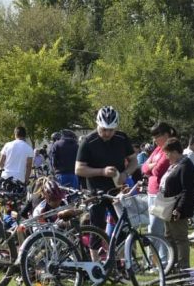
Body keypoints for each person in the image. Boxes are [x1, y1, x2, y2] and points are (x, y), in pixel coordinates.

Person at [75, 106, 138, 258]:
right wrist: (102, 171)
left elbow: (134, 161)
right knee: (98, 226)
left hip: (117, 188)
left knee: (124, 224)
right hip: (96, 190)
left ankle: (123, 260)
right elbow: (79, 169)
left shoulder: (122, 138)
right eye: (104, 129)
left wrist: (125, 173)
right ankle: (95, 263)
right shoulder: (89, 141)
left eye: (111, 130)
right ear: (98, 125)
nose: (108, 133)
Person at [160, 138, 194, 271]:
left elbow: (187, 190)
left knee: (180, 239)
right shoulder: (176, 164)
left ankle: (183, 268)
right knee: (169, 237)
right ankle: (172, 265)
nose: (166, 156)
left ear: (175, 152)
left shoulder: (185, 165)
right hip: (168, 207)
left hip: (178, 208)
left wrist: (179, 209)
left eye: (168, 153)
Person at [142, 122, 175, 238]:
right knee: (152, 228)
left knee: (156, 230)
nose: (154, 140)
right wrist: (152, 165)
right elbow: (143, 168)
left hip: (160, 194)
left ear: (166, 135)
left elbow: (158, 170)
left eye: (157, 136)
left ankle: (163, 256)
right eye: (153, 137)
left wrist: (151, 166)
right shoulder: (157, 150)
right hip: (151, 194)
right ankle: (153, 256)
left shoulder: (170, 148)